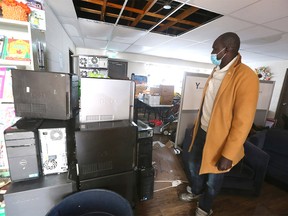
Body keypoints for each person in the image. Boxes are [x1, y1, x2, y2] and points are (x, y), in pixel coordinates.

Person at [179, 32, 259, 216]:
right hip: (202, 130)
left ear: (228, 49)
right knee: (192, 164)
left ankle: (205, 206)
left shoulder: (246, 76)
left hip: (221, 137)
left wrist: (229, 154)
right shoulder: (216, 71)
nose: (212, 52)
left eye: (215, 48)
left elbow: (243, 120)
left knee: (214, 179)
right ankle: (197, 192)